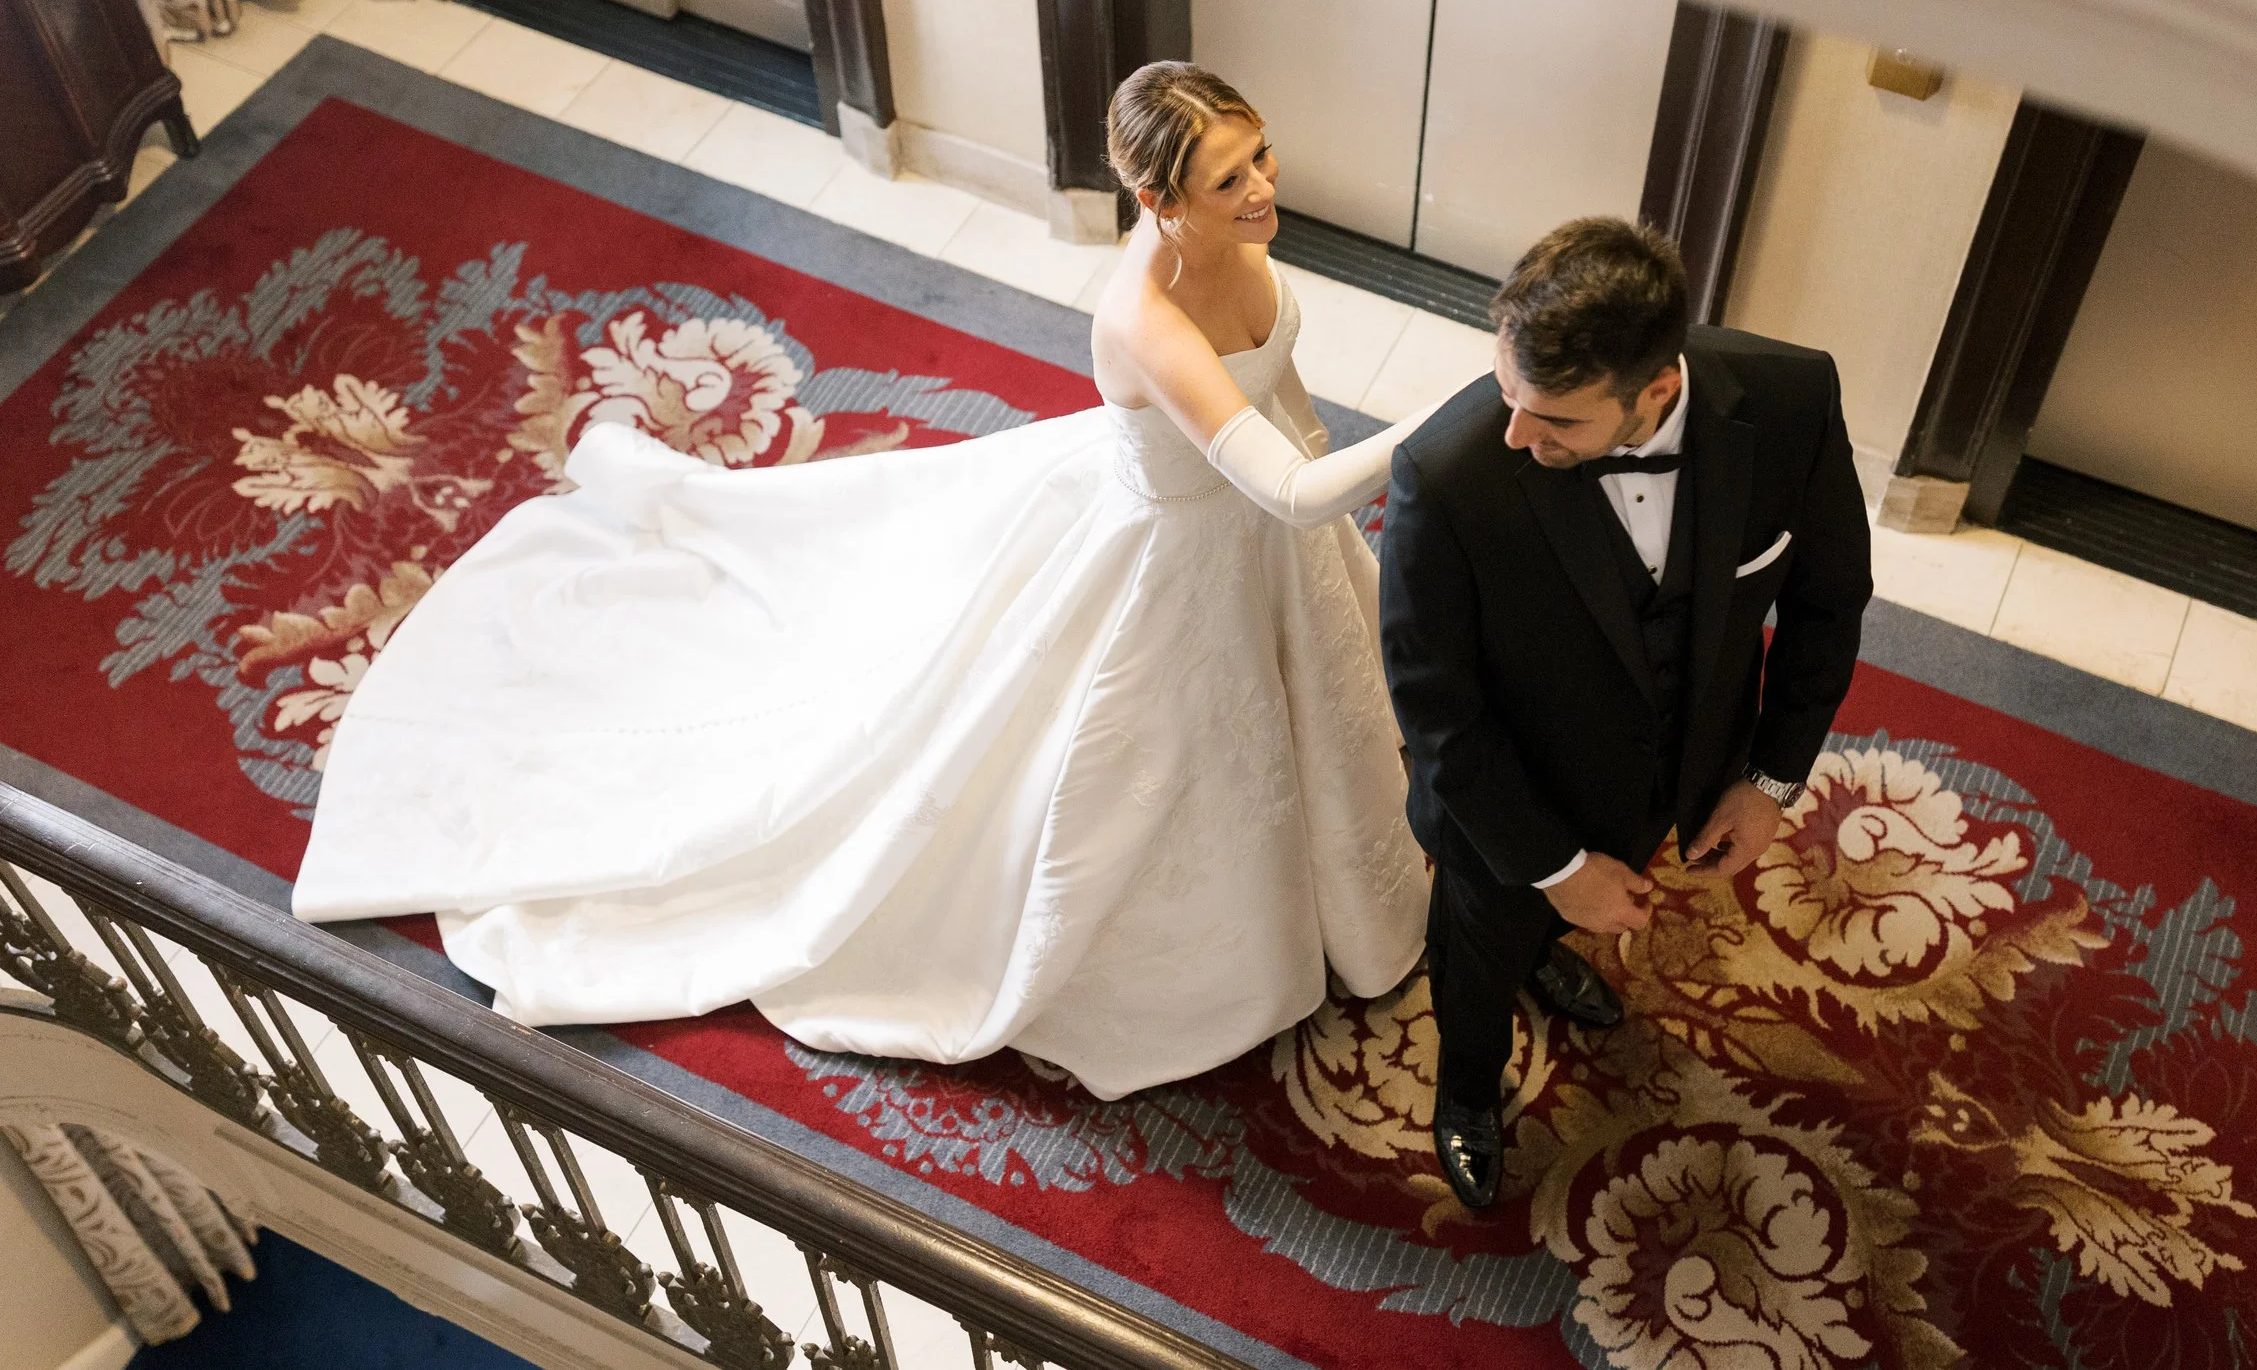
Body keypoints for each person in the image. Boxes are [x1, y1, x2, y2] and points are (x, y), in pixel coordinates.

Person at [294, 62, 1450, 1099]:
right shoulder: (1146, 322)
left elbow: (1283, 419)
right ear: (1158, 203)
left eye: (1258, 156)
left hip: (1259, 537)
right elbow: (1289, 489)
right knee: (1144, 757)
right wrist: (1457, 409)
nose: (1263, 188)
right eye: (1229, 178)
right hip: (1181, 550)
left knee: (1323, 711)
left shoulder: (1239, 242)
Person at [1376, 216, 1873, 1209]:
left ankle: (1547, 954)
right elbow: (1438, 710)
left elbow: (1826, 600)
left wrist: (1770, 778)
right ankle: (1465, 1090)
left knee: (1552, 926)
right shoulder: (1449, 474)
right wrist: (1557, 872)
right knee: (1479, 951)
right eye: (1507, 394)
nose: (1516, 432)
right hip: (1507, 800)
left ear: (1654, 388)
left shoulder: (1791, 399)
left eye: (1552, 418)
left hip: (1682, 769)